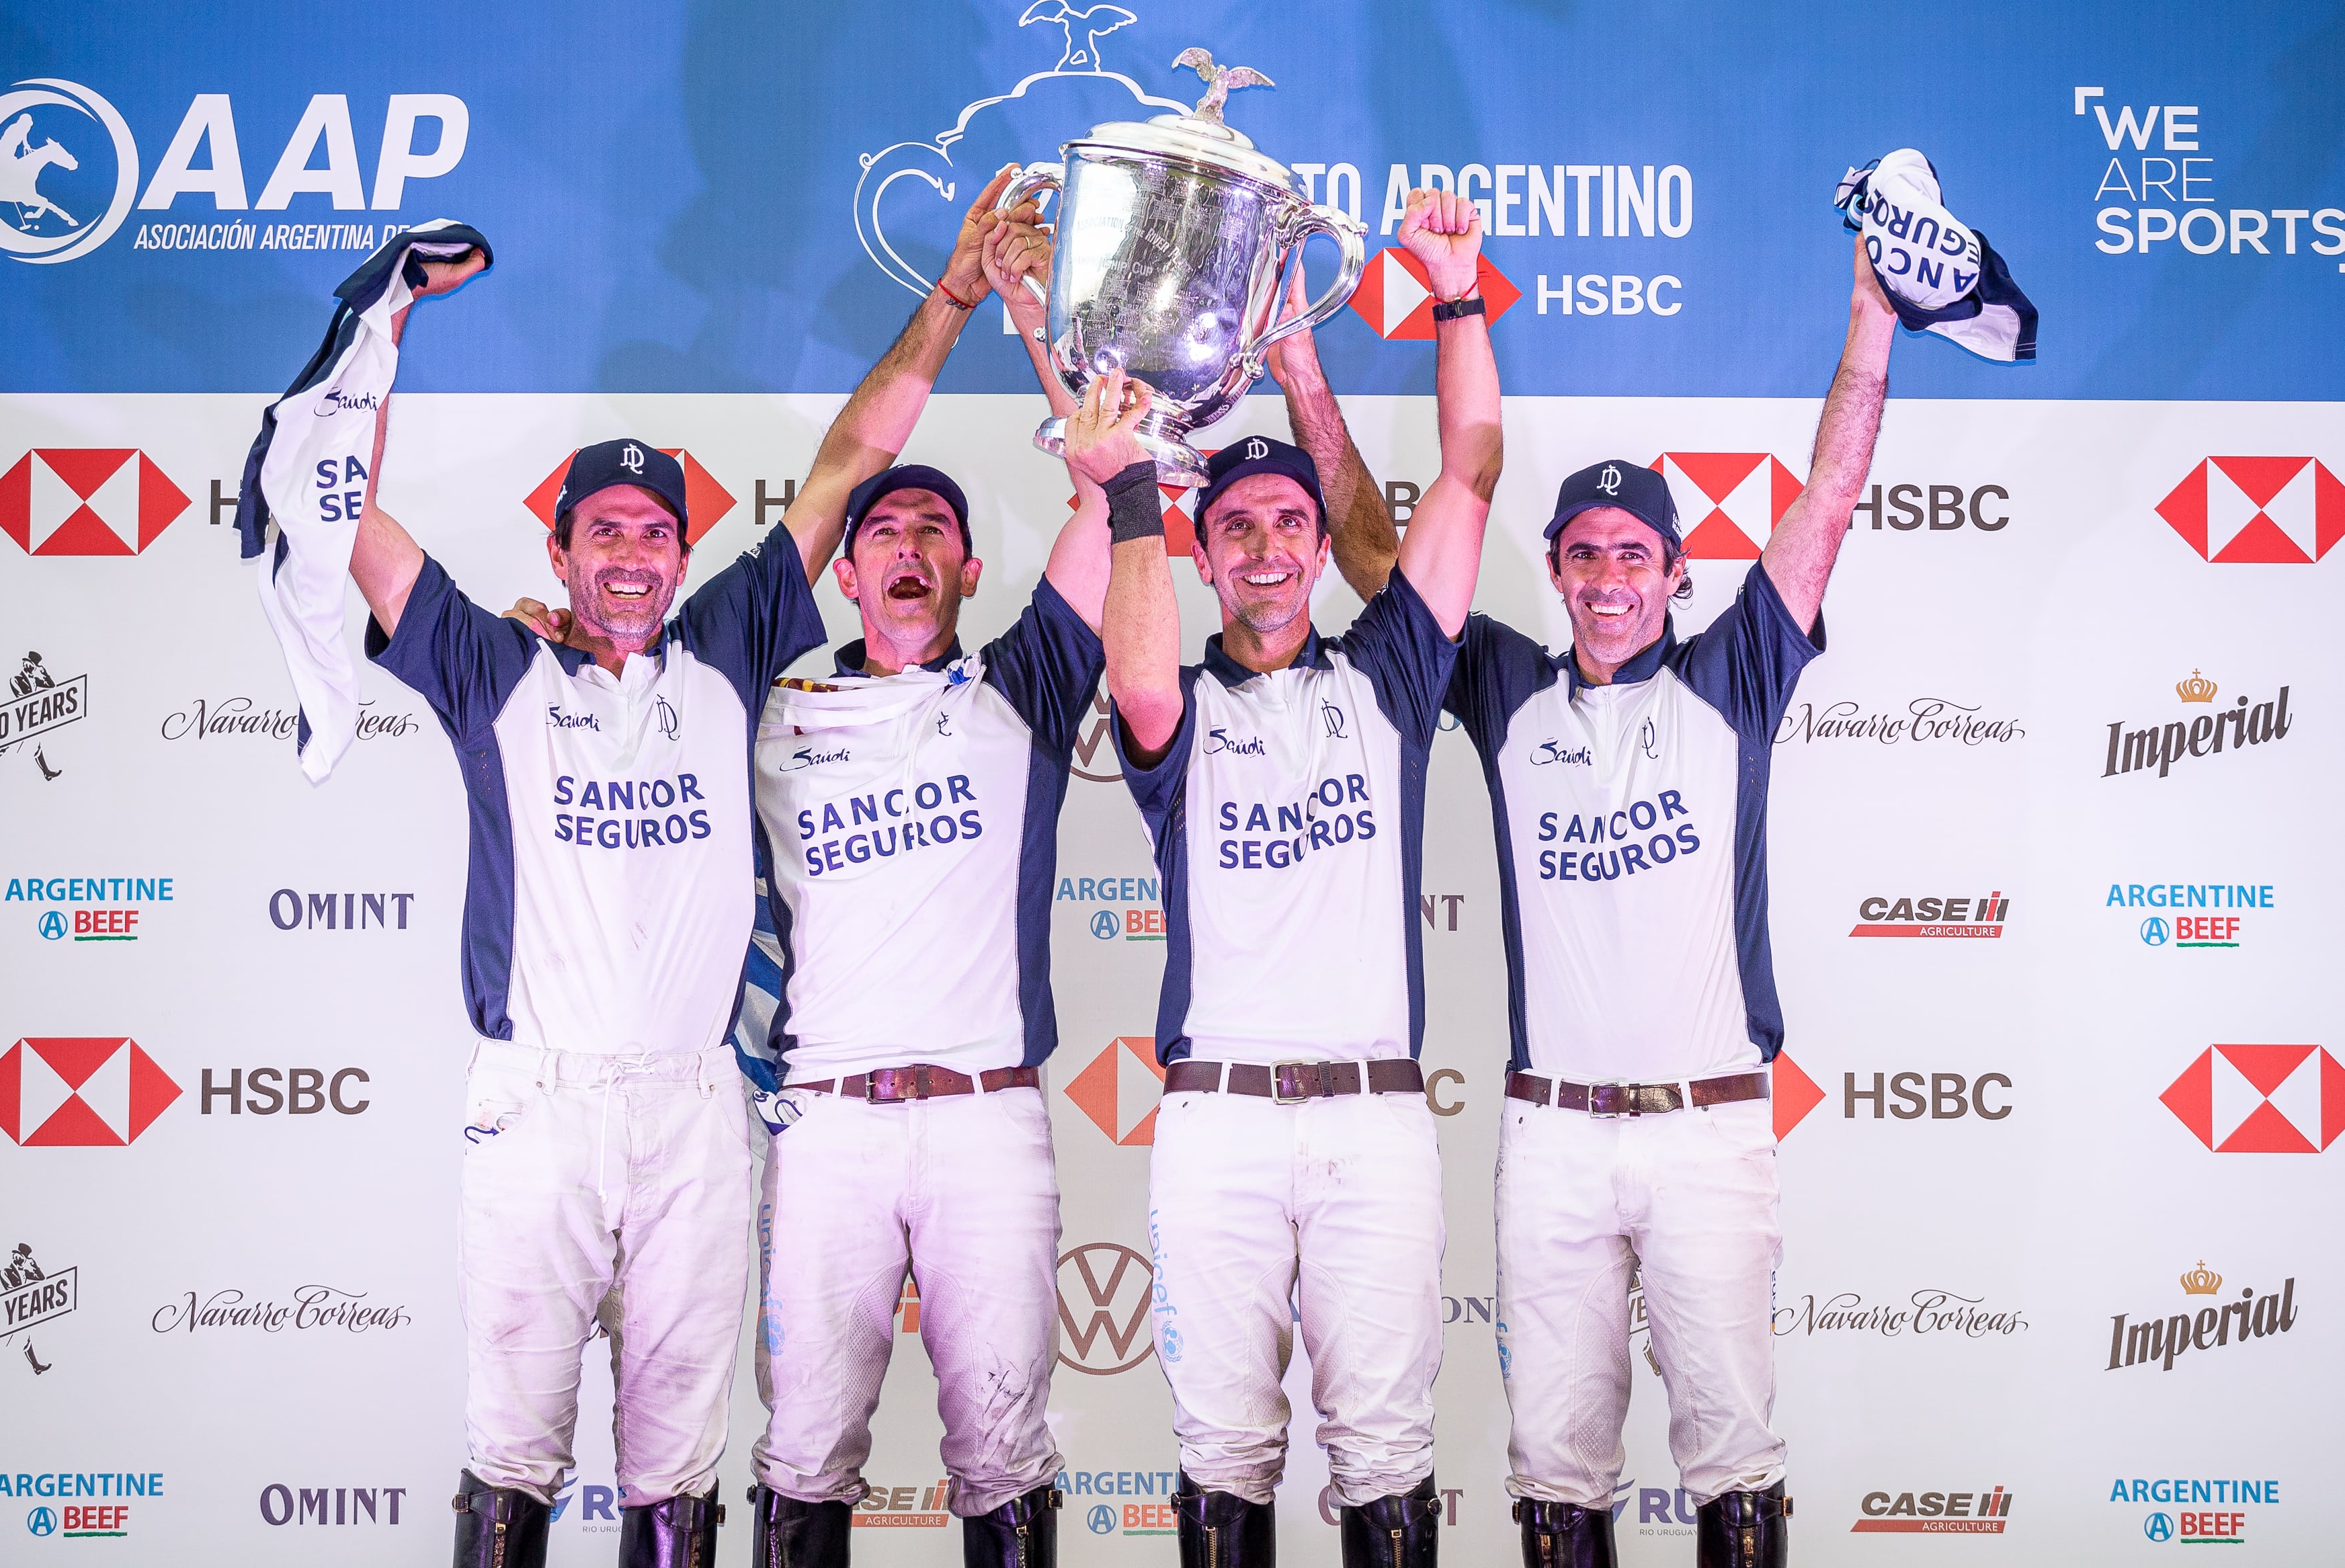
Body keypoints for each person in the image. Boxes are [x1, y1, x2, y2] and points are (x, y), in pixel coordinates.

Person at [356, 172, 1028, 1568]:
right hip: (536, 1098)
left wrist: (952, 301)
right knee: (512, 1455)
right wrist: (383, 336)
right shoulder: (495, 661)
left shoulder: (728, 654)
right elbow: (345, 528)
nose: (630, 556)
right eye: (602, 530)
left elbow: (849, 464)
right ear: (558, 550)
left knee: (680, 1471)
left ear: (681, 557)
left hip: (696, 1104)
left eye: (656, 534)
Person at [1324, 237, 1899, 1568]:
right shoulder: (1508, 686)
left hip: (1708, 1137)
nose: (1605, 578)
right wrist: (1307, 370)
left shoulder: (1736, 674)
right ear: (1558, 571)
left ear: (1673, 572)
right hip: (1555, 1144)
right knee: (1557, 1481)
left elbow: (1826, 491)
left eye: (1632, 553)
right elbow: (1378, 564)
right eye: (1580, 555)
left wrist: (1868, 318)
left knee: (1735, 1469)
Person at [1070, 188, 1501, 1568]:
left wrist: (1452, 296)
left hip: (1373, 1124)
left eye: (1285, 526)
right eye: (1236, 528)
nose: (1262, 546)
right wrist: (1136, 483)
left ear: (1322, 550)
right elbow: (1133, 672)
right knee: (1224, 1460)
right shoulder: (1174, 704)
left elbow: (1471, 476)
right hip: (1219, 1131)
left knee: (1385, 1463)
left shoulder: (1388, 678)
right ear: (1203, 558)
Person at [733, 202, 1102, 1568]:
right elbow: (840, 462)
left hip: (982, 1127)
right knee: (802, 1457)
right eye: (881, 526)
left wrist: (1023, 321)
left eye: (931, 528)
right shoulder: (764, 701)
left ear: (962, 567)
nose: (902, 539)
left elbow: (1110, 486)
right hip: (823, 1124)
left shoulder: (1023, 685)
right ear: (847, 561)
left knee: (1004, 1456)